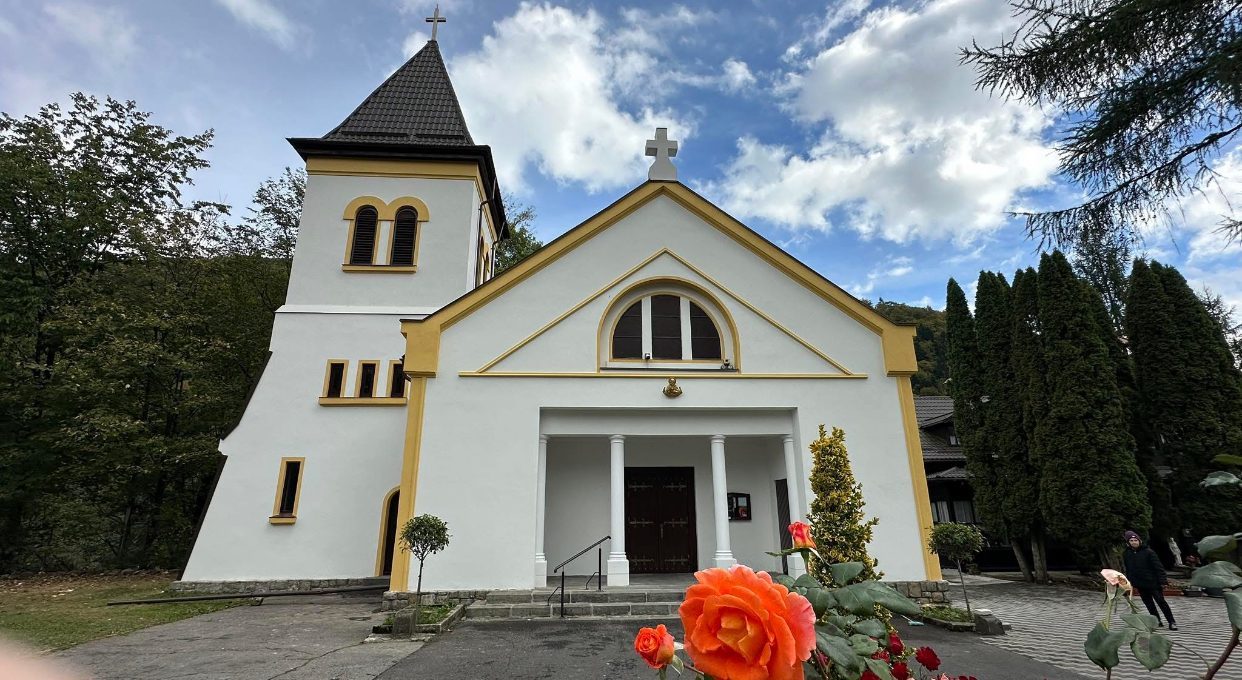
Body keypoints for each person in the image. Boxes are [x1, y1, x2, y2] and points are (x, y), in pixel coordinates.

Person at [1122, 530, 1177, 630]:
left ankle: (1171, 621)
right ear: (1128, 542)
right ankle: (1156, 620)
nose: (1134, 542)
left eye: (1135, 540)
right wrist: (1129, 581)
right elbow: (1128, 568)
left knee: (1161, 601)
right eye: (1131, 541)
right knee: (1148, 603)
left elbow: (1158, 567)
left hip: (1153, 582)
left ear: (1140, 541)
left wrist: (1162, 581)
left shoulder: (1149, 552)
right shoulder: (1126, 553)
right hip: (1140, 582)